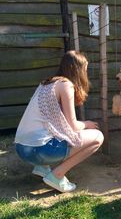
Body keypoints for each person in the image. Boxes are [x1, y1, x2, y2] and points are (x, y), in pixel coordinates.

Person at [15, 50, 104, 193]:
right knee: (98, 137)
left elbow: (54, 124)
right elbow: (73, 126)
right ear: (78, 70)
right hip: (38, 151)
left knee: (52, 134)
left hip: (21, 149)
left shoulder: (47, 83)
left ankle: (42, 167)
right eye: (85, 69)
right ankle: (57, 175)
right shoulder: (66, 85)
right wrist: (87, 124)